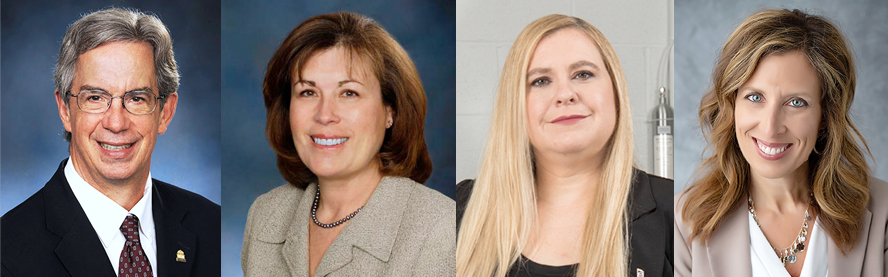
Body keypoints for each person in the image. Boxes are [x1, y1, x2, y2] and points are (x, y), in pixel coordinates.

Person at [0, 8, 221, 277]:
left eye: (137, 98)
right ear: (65, 110)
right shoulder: (8, 253)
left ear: (166, 112)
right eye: (95, 98)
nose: (116, 123)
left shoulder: (212, 227)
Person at [455, 14, 673, 277]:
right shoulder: (458, 211)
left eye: (583, 74)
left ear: (616, 91)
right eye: (540, 81)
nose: (565, 94)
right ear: (514, 105)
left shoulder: (677, 213)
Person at [675, 9, 888, 277]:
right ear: (732, 104)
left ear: (826, 116)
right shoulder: (681, 221)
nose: (770, 127)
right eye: (755, 97)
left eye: (796, 102)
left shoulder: (883, 214)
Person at [240, 12, 455, 276]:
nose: (324, 115)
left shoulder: (442, 228)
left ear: (391, 111)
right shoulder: (266, 215)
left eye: (348, 93)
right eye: (308, 92)